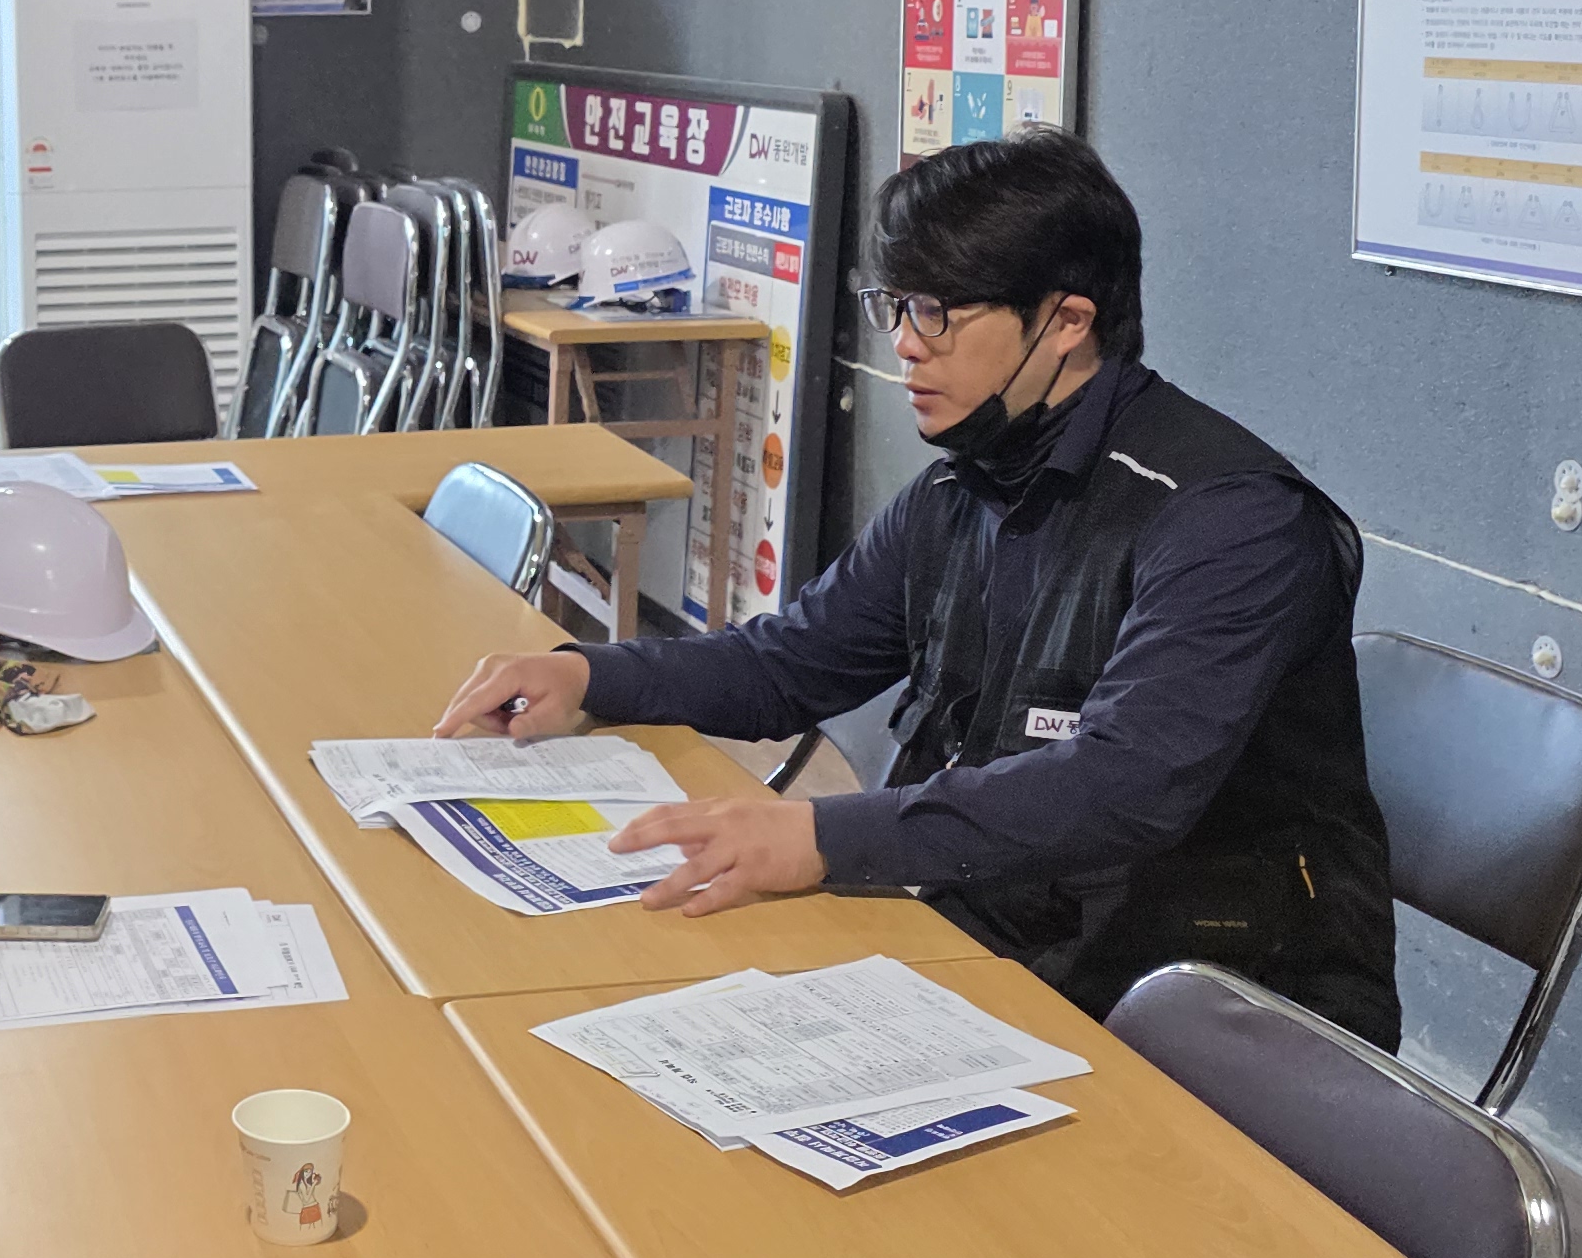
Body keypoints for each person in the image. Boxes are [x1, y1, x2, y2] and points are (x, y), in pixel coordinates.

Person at [438, 129, 1399, 1045]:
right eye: (894, 306)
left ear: (1067, 323)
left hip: (1203, 994)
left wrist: (822, 836)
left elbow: (1120, 789)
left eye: (937, 311)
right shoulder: (970, 480)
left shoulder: (1229, 522)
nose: (903, 343)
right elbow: (792, 663)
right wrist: (591, 675)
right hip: (1005, 930)